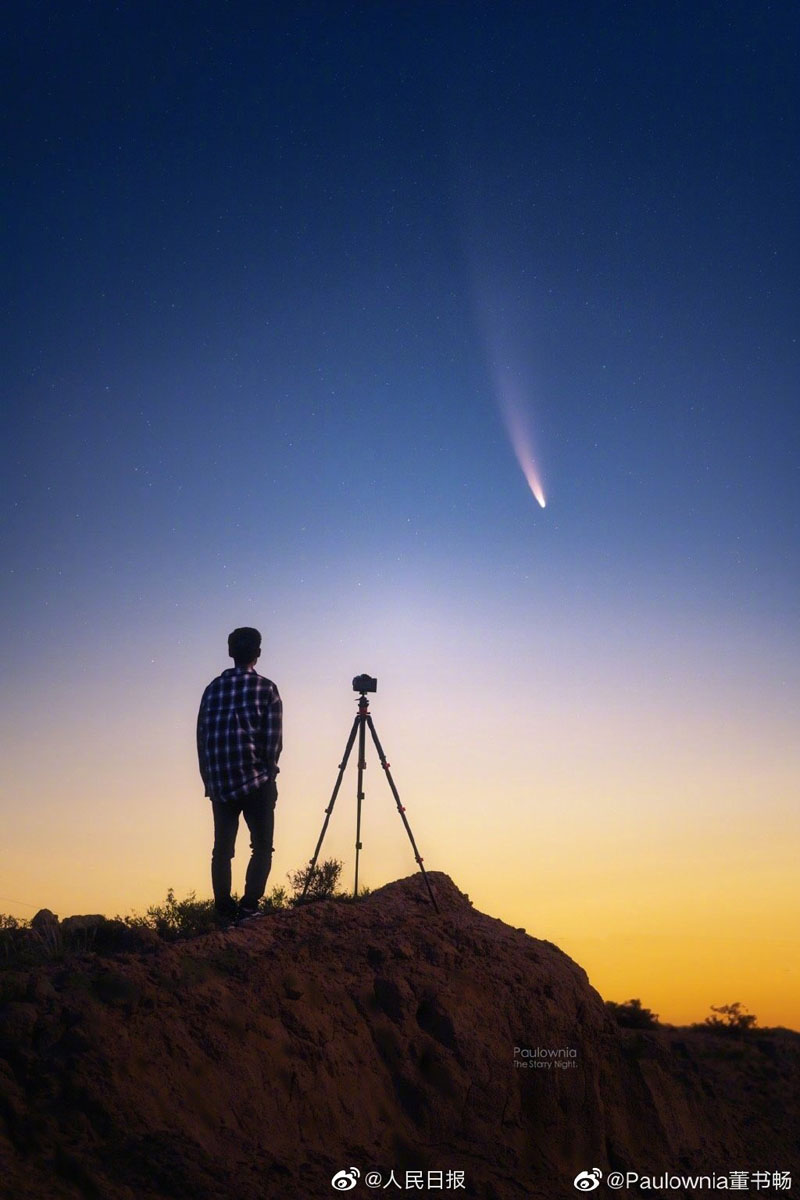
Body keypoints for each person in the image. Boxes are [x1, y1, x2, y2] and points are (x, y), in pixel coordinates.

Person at [196, 627, 283, 923]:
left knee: (222, 849)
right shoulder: (267, 689)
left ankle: (222, 909)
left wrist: (209, 779)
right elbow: (272, 741)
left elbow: (201, 736)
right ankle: (248, 907)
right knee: (261, 846)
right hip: (256, 779)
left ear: (230, 652)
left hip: (220, 783)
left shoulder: (211, 689)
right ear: (257, 654)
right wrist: (270, 775)